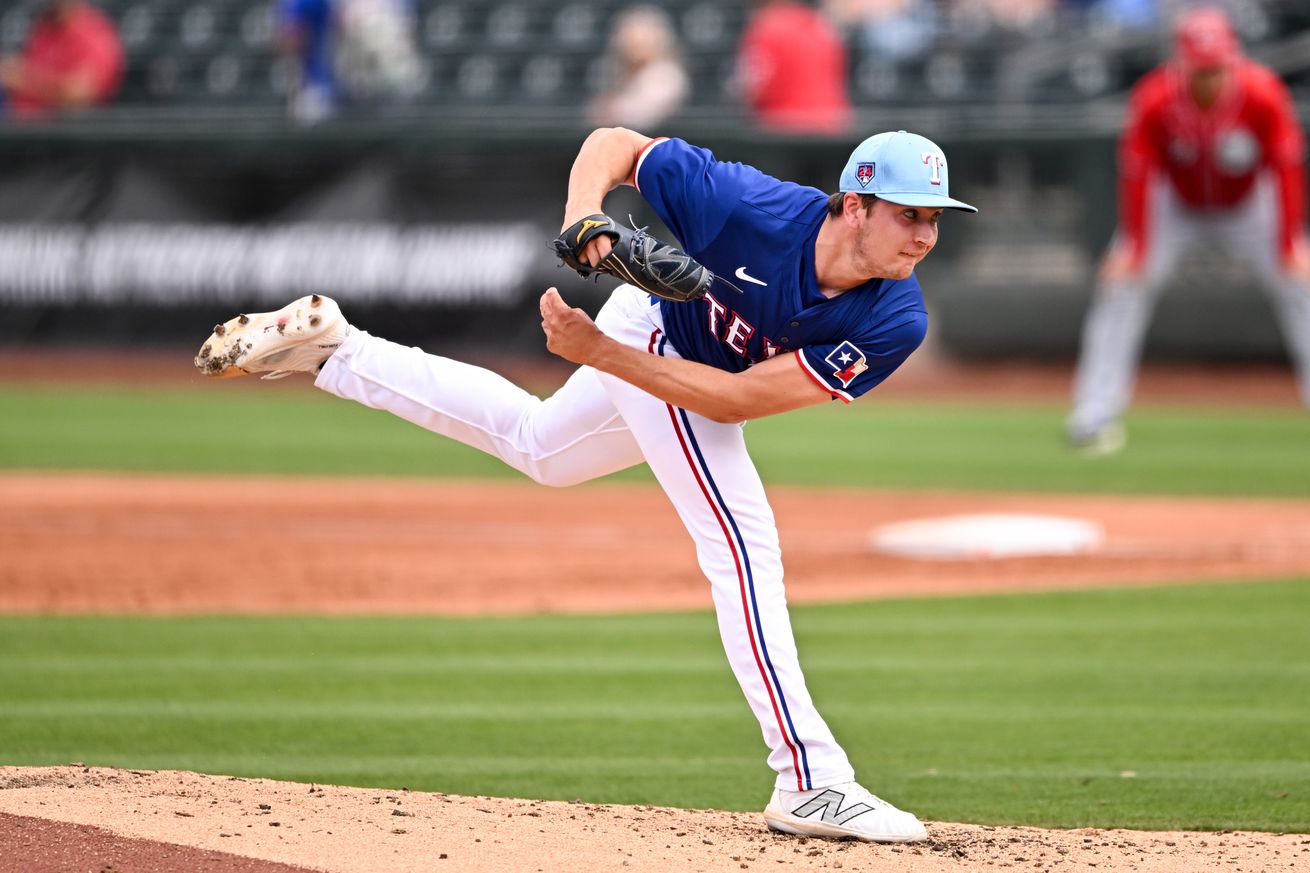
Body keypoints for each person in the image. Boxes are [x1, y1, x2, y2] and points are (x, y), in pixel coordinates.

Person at [194, 126, 976, 842]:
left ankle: (337, 353)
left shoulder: (895, 318)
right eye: (910, 214)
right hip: (652, 332)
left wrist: (599, 353)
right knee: (743, 546)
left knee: (542, 448)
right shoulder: (750, 206)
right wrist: (583, 217)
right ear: (856, 204)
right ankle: (810, 779)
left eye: (936, 219)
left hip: (664, 362)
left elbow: (739, 399)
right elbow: (617, 145)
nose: (926, 234)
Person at [1067, 5, 1310, 454]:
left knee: (1302, 285)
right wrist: (1135, 247)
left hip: (1248, 203)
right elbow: (1138, 170)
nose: (1210, 78)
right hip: (1173, 204)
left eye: (1217, 68)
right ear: (1181, 63)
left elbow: (1285, 167)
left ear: (1232, 59)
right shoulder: (1156, 97)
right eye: (1202, 70)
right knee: (1122, 285)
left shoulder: (1262, 92)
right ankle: (1093, 416)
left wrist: (1290, 242)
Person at [736, 0, 852, 133]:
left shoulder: (767, 27)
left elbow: (753, 90)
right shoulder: (819, 24)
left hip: (784, 131)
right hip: (833, 127)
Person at [0, 0, 122, 120]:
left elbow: (77, 96)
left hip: (63, 131)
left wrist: (23, 78)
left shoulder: (94, 35)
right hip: (22, 122)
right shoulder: (46, 27)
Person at [587, 6, 690, 129]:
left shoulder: (667, 73)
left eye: (641, 42)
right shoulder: (614, 70)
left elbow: (651, 113)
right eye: (631, 42)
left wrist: (615, 110)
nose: (635, 48)